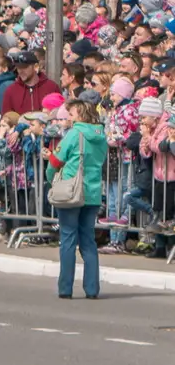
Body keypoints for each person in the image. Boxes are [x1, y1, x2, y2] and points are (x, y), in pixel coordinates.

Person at [50, 98, 106, 300]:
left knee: (67, 238)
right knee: (88, 240)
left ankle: (65, 288)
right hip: (92, 192)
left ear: (81, 114)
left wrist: (51, 178)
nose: (69, 117)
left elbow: (56, 160)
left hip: (72, 190)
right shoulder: (101, 136)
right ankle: (92, 289)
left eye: (72, 113)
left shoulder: (74, 133)